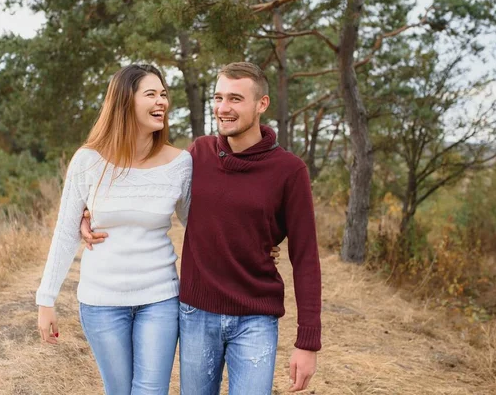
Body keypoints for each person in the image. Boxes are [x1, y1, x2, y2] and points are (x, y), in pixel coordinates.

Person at [83, 62, 322, 394]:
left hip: (255, 319)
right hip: (196, 315)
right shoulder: (197, 156)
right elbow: (143, 189)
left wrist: (307, 341)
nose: (224, 108)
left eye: (236, 99)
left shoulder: (289, 171)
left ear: (262, 104)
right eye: (218, 97)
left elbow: (306, 257)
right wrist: (88, 211)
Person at [36, 64, 193, 395]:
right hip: (101, 301)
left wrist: (251, 241)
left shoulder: (180, 163)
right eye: (150, 94)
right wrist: (46, 300)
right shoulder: (88, 161)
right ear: (125, 101)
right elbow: (65, 232)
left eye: (164, 94)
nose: (161, 101)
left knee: (150, 391)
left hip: (160, 297)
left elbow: (199, 225)